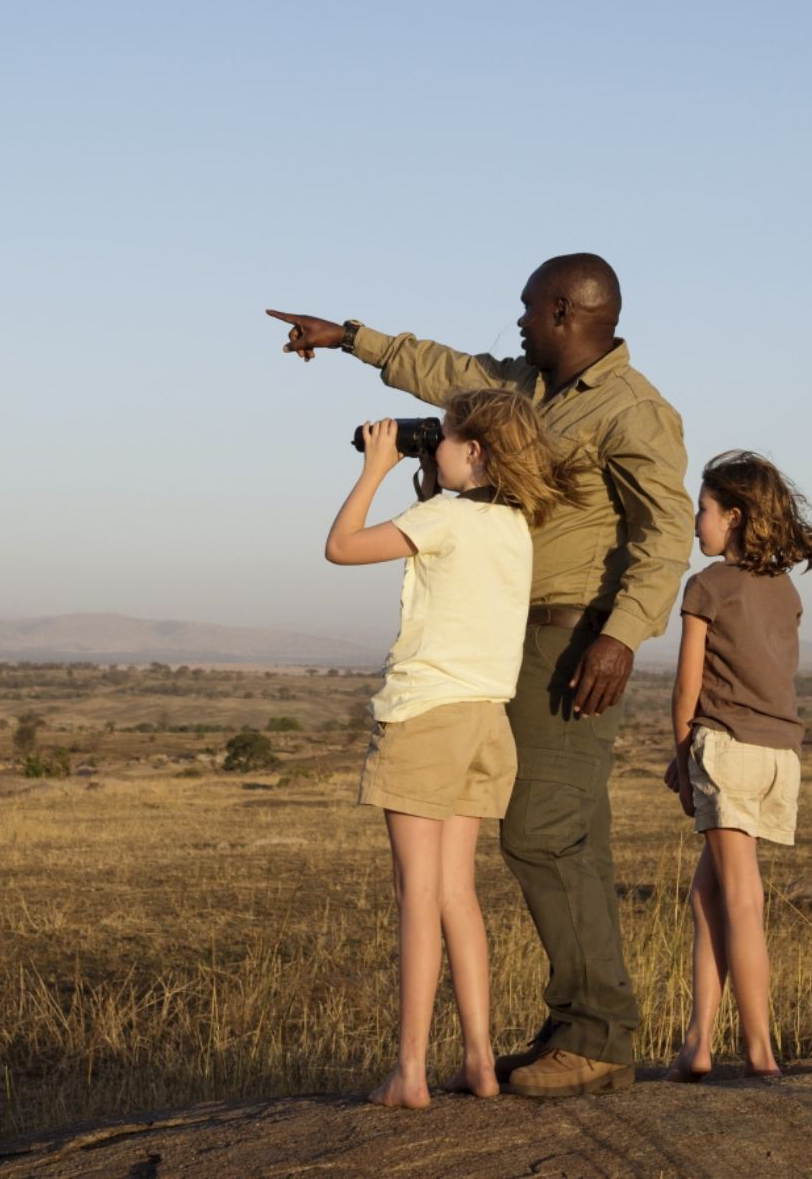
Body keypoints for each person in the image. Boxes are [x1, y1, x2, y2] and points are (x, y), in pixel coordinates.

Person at [269, 253, 695, 1099]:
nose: (520, 322)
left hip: (578, 639)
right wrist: (351, 338)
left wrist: (622, 635)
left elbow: (667, 530)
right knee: (566, 832)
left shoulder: (635, 410)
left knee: (544, 831)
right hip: (518, 641)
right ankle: (583, 1024)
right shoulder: (524, 387)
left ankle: (598, 1037)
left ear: (571, 312)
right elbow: (445, 368)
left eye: (531, 309)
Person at [323, 390, 590, 1109]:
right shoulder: (511, 525)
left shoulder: (442, 517)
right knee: (458, 894)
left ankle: (409, 1073)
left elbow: (341, 546)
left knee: (417, 896)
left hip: (427, 717)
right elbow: (454, 522)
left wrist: (376, 467)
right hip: (485, 724)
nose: (428, 446)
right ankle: (479, 1058)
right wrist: (425, 468)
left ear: (474, 452)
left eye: (438, 437)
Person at [659, 450, 812, 1084]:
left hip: (725, 749)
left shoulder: (706, 586)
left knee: (741, 900)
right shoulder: (785, 592)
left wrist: (683, 760)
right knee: (707, 896)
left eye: (702, 510)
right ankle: (698, 1043)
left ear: (733, 516)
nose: (695, 523)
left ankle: (759, 1052)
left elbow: (686, 690)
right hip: (779, 757)